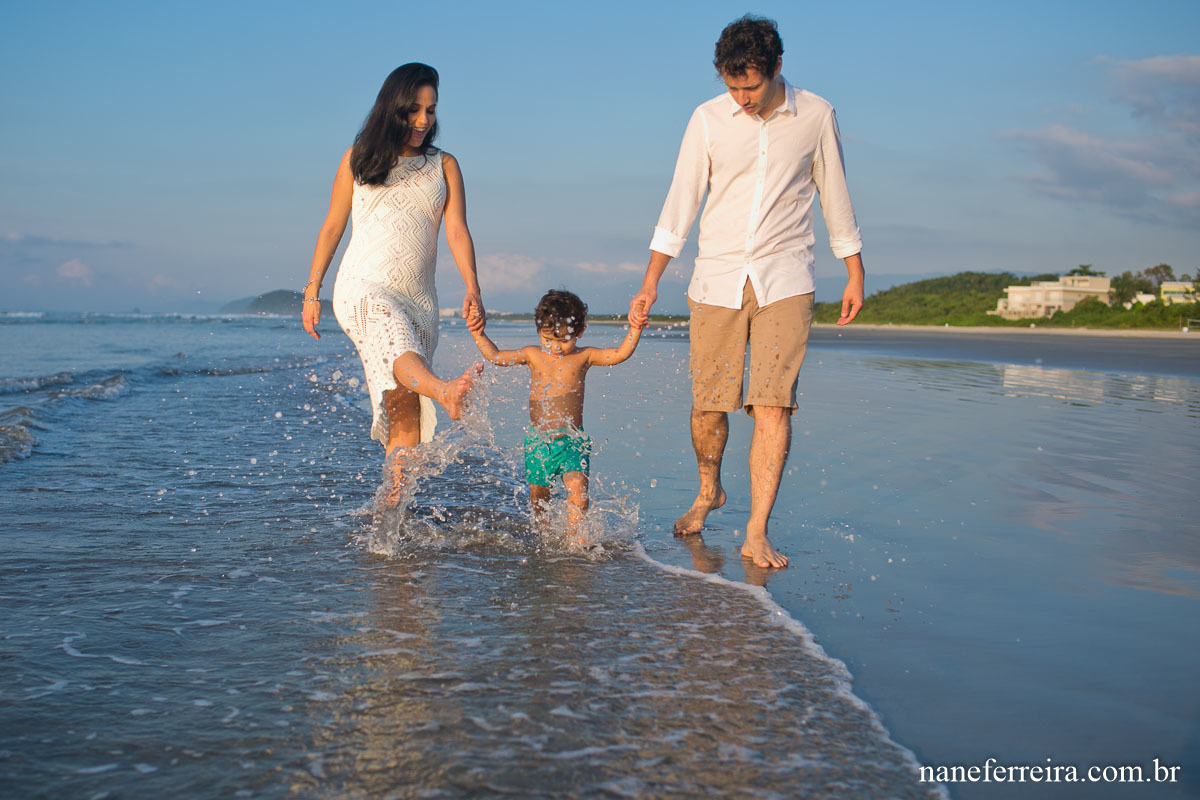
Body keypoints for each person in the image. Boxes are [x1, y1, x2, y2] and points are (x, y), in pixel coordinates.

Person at [629, 16, 866, 569]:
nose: (741, 98)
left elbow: (835, 193)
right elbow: (681, 199)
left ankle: (757, 529)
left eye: (751, 87)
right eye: (732, 87)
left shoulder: (816, 115)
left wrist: (854, 270)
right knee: (709, 406)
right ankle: (710, 488)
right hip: (716, 277)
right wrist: (650, 279)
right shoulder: (708, 120)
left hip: (786, 277)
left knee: (773, 405)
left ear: (777, 68)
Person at [302, 63, 484, 492]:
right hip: (362, 288)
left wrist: (473, 286)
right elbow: (332, 226)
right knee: (399, 348)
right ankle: (443, 390)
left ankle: (392, 525)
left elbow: (456, 230)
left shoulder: (445, 166)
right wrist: (313, 292)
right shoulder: (359, 157)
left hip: (419, 301)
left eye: (431, 111)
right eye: (414, 111)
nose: (423, 121)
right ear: (393, 108)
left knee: (405, 420)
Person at [469, 290, 642, 531]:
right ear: (539, 331)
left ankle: (575, 539)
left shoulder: (585, 356)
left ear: (580, 332)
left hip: (572, 441)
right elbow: (496, 356)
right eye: (548, 339)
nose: (556, 348)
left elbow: (620, 354)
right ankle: (544, 533)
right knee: (539, 496)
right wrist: (478, 333)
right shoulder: (533, 354)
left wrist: (635, 328)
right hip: (539, 442)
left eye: (564, 340)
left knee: (578, 491)